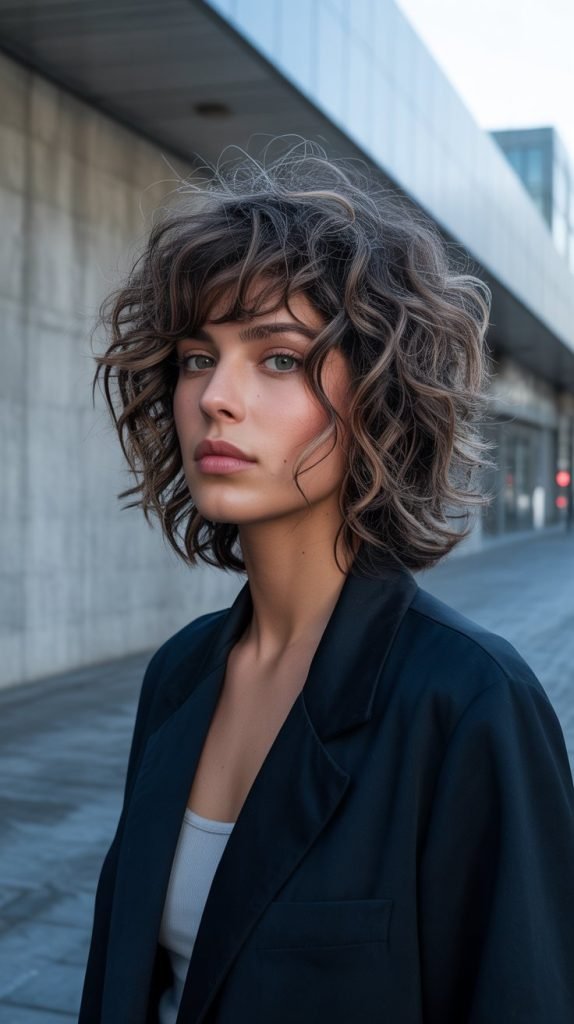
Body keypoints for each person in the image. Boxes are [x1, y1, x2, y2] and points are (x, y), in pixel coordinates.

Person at [78, 140, 574, 1024]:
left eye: (277, 358)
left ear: (379, 397)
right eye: (198, 357)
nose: (216, 397)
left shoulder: (469, 703)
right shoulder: (179, 676)